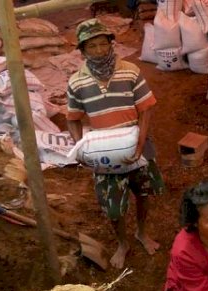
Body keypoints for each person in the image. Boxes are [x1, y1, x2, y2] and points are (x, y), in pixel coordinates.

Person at [66, 18, 165, 269]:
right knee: (113, 207)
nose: (99, 51)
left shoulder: (130, 70)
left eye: (103, 44)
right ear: (82, 51)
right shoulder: (77, 82)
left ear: (111, 44)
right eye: (92, 47)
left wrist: (141, 144)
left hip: (136, 146)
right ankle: (122, 243)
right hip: (104, 154)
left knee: (143, 193)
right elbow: (73, 118)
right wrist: (81, 150)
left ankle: (141, 233)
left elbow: (146, 110)